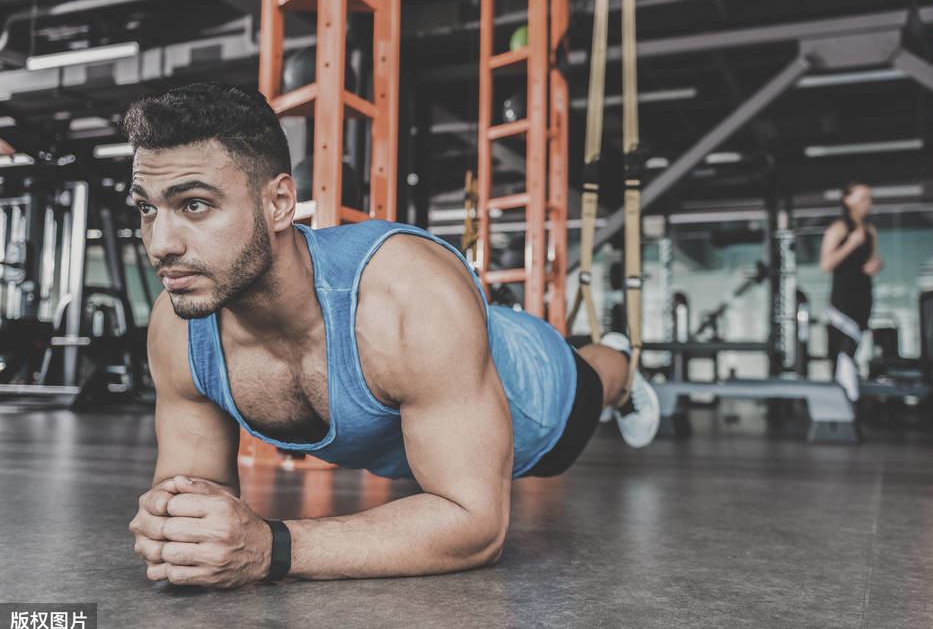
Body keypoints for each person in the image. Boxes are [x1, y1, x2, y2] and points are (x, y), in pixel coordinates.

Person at [126, 82, 660, 589]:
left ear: (280, 203)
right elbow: (193, 487)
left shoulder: (407, 296)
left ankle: (620, 365)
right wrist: (177, 527)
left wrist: (272, 547)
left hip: (537, 395)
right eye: (148, 208)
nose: (161, 243)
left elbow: (475, 526)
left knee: (596, 383)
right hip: (437, 384)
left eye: (194, 204)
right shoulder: (179, 326)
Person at [818, 181, 883, 402]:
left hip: (864, 296)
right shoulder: (839, 228)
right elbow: (826, 265)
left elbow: (872, 261)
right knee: (842, 352)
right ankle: (844, 402)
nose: (868, 203)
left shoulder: (870, 231)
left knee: (853, 351)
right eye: (862, 197)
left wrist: (876, 265)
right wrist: (850, 244)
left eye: (869, 198)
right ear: (847, 200)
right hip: (843, 300)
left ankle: (849, 402)